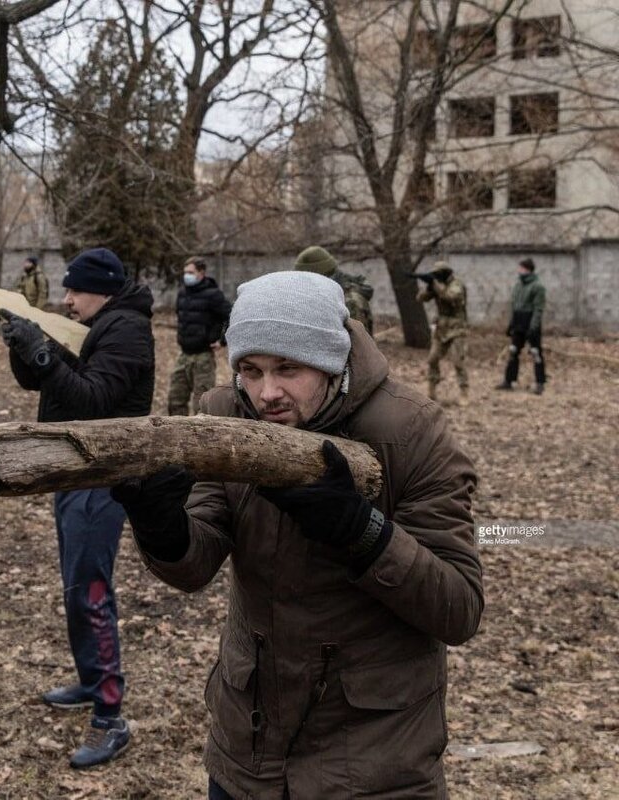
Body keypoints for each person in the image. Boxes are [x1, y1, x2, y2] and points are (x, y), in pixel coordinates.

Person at [111, 270, 482, 798]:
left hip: (374, 763)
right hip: (250, 755)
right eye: (251, 369)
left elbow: (459, 607)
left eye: (288, 368)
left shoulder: (412, 433)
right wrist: (161, 525)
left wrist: (361, 531)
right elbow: (195, 563)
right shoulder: (224, 413)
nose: (267, 393)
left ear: (331, 362)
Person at [0, 247, 155, 769]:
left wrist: (42, 353)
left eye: (74, 291)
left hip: (104, 478)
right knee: (75, 588)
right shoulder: (91, 324)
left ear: (102, 291)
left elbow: (93, 401)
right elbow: (39, 382)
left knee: (91, 592)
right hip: (73, 471)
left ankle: (111, 717)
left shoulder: (126, 330)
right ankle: (92, 681)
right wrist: (23, 348)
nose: (65, 300)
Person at [167, 256, 231, 416]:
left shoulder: (213, 295)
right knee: (175, 400)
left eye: (190, 272)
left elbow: (230, 316)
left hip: (203, 358)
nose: (186, 276)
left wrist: (223, 340)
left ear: (201, 273)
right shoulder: (182, 293)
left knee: (201, 406)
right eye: (185, 272)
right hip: (184, 355)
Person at [417, 261, 469, 405]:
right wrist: (429, 287)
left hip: (457, 328)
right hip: (441, 329)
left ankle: (464, 391)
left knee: (458, 361)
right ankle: (431, 389)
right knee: (432, 358)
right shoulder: (437, 285)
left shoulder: (456, 284)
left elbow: (451, 296)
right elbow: (420, 298)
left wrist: (436, 285)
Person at [294, 245, 374, 334]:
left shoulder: (349, 301)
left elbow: (356, 344)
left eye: (305, 279)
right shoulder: (328, 295)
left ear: (319, 276)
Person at [497, 257, 547, 394]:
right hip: (518, 320)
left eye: (521, 268)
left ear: (528, 269)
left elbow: (538, 309)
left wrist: (533, 327)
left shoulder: (538, 286)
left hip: (530, 321)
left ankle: (540, 383)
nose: (519, 271)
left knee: (536, 353)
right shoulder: (518, 285)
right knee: (513, 351)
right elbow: (514, 306)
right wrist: (511, 324)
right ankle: (509, 381)